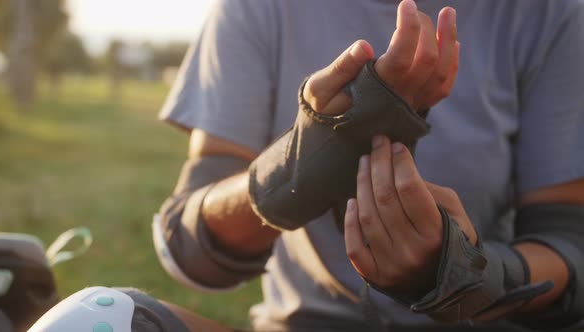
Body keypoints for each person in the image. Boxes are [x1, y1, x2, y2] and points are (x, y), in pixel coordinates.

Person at [28, 0, 584, 331]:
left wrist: (469, 277)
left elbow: (570, 243)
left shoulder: (547, 13)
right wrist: (306, 159)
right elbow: (188, 247)